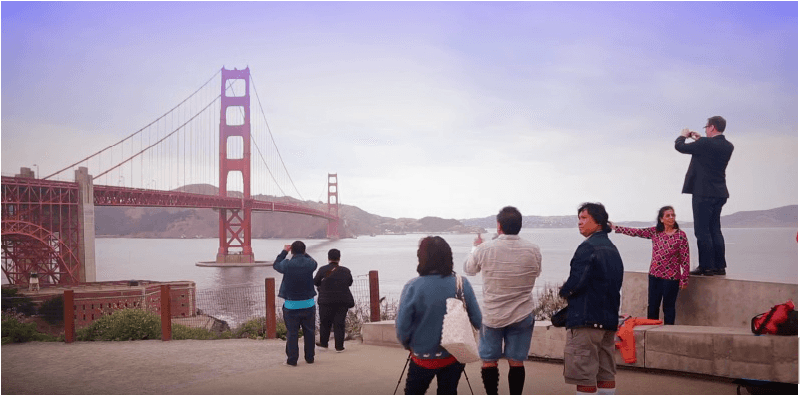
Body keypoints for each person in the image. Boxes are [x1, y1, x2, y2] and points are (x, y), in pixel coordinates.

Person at [464, 206, 542, 395]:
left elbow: (469, 270)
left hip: (493, 315)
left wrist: (475, 247)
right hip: (522, 313)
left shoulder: (484, 249)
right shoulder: (533, 249)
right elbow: (537, 273)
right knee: (516, 361)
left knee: (489, 360)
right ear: (520, 226)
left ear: (499, 226)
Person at [396, 236, 482, 395]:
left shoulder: (412, 286)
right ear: (448, 257)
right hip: (454, 355)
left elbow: (402, 328)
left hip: (422, 356)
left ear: (421, 258)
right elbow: (478, 320)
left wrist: (410, 345)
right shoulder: (461, 283)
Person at [560, 203, 624, 395]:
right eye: (579, 218)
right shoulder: (613, 249)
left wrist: (564, 292)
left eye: (584, 218)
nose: (580, 223)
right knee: (606, 374)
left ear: (598, 222)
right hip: (609, 320)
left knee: (584, 375)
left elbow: (575, 283)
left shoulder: (587, 248)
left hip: (586, 320)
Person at [675, 115, 734, 276]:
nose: (706, 130)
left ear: (712, 127)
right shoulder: (728, 146)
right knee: (715, 229)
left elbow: (680, 147)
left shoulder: (704, 144)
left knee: (702, 231)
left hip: (703, 192)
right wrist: (699, 139)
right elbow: (708, 149)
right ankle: (719, 266)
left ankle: (706, 266)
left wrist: (683, 135)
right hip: (720, 192)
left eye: (706, 127)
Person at [610, 206, 690, 325]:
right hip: (654, 275)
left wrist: (685, 278)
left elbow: (685, 258)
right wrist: (616, 227)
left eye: (673, 215)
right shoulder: (655, 232)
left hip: (671, 278)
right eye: (668, 215)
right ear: (661, 219)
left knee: (668, 307)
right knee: (652, 305)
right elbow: (636, 232)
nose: (671, 218)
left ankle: (668, 332)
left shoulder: (680, 235)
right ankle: (651, 331)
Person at [274, 241, 318, 366]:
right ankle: (310, 358)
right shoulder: (310, 264)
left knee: (292, 333)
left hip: (291, 305)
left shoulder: (287, 265)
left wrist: (284, 251)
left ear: (292, 251)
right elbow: (314, 262)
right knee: (309, 332)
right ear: (304, 251)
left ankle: (292, 360)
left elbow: (276, 264)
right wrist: (303, 253)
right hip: (308, 304)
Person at [314, 248, 355, 352]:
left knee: (325, 322)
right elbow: (349, 283)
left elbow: (315, 282)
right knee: (340, 323)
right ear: (339, 258)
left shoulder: (322, 269)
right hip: (342, 301)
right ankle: (339, 347)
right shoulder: (346, 270)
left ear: (328, 258)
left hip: (325, 301)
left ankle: (324, 344)